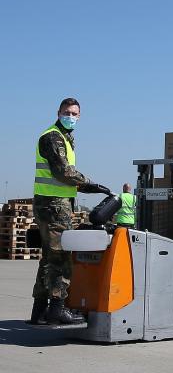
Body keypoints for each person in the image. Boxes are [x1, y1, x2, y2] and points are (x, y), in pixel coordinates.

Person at [31, 97, 110, 325]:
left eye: (75, 114)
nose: (71, 117)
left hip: (52, 203)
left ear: (79, 116)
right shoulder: (52, 137)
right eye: (67, 112)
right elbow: (63, 172)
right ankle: (57, 308)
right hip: (54, 204)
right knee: (61, 256)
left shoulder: (64, 138)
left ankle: (39, 311)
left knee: (48, 256)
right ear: (58, 112)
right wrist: (89, 184)